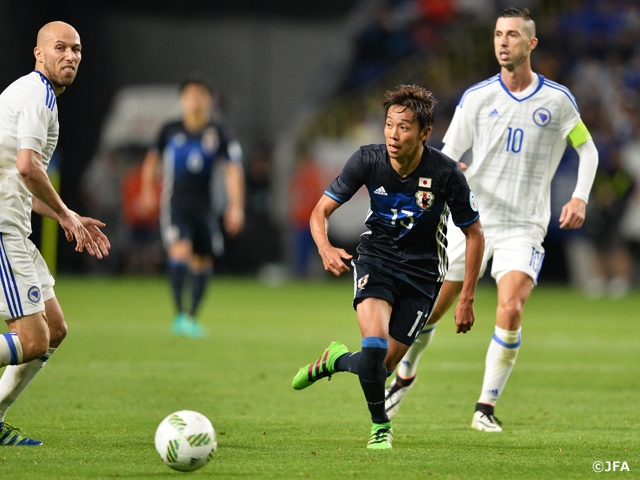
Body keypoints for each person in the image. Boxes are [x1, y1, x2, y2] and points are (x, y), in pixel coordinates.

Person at [385, 7, 599, 432]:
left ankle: (485, 407)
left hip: (524, 225)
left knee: (511, 307)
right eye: (499, 34)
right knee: (434, 309)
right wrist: (450, 171)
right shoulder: (478, 98)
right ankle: (406, 371)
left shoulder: (557, 101)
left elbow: (587, 149)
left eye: (513, 35)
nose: (503, 42)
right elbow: (447, 152)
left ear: (531, 43)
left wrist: (579, 197)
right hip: (472, 222)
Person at [291, 84, 484, 449]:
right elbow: (320, 212)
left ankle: (333, 361)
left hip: (424, 276)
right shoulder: (367, 160)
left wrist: (467, 298)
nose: (394, 135)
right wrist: (325, 247)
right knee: (375, 346)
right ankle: (381, 427)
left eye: (405, 127)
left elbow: (474, 234)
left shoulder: (445, 174)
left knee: (378, 367)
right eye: (389, 125)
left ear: (425, 133)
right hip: (376, 260)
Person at [0, 21, 110, 445]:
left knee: (55, 330)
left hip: (13, 224)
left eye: (77, 49)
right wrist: (65, 215)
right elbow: (29, 166)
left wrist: (70, 216)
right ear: (38, 53)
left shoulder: (37, 95)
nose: (70, 56)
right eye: (60, 48)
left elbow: (22, 179)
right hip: (2, 229)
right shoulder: (37, 96)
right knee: (32, 339)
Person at [139, 76, 245, 338]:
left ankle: (192, 316)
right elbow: (151, 159)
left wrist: (236, 206)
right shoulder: (170, 129)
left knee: (202, 260)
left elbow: (233, 169)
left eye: (200, 95)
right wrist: (146, 190)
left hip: (206, 207)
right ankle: (178, 314)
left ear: (209, 99)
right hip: (176, 203)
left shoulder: (219, 132)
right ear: (182, 100)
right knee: (180, 250)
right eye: (189, 95)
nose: (194, 100)